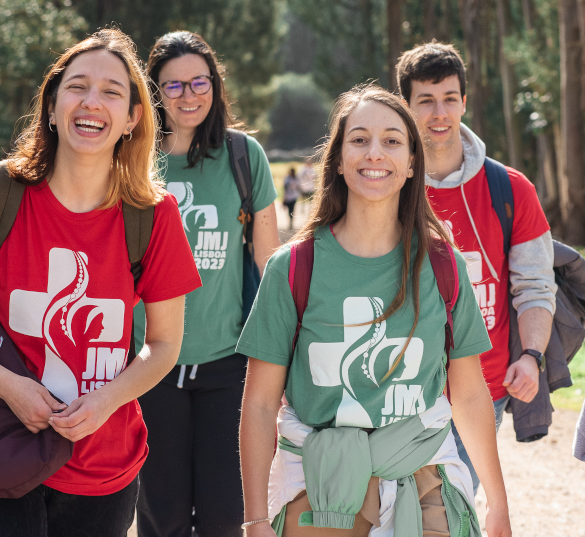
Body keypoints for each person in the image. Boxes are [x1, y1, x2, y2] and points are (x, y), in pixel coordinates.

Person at [0, 28, 201, 536]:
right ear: (51, 105)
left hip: (103, 468)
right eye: (77, 86)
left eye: (112, 91)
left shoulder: (155, 217)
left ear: (133, 118)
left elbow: (164, 344)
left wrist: (106, 400)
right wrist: (10, 386)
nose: (92, 102)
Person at [238, 84, 513, 537]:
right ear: (339, 160)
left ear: (410, 166)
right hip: (317, 483)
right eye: (359, 139)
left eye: (392, 141)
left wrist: (498, 502)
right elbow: (261, 403)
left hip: (422, 476)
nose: (375, 153)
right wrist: (255, 519)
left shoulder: (443, 266)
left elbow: (466, 394)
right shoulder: (292, 268)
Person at [395, 42, 558, 486]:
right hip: (397, 393)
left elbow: (535, 285)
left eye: (449, 99)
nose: (439, 113)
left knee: (452, 510)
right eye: (425, 101)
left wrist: (531, 356)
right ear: (405, 107)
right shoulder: (386, 187)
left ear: (464, 102)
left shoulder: (512, 189)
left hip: (481, 391)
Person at [137, 31, 280, 537]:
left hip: (227, 363)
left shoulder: (244, 156)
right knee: (162, 519)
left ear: (215, 85)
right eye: (172, 86)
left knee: (226, 517)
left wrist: (282, 357)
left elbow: (269, 265)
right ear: (153, 91)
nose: (188, 95)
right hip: (148, 366)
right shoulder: (128, 159)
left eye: (199, 81)